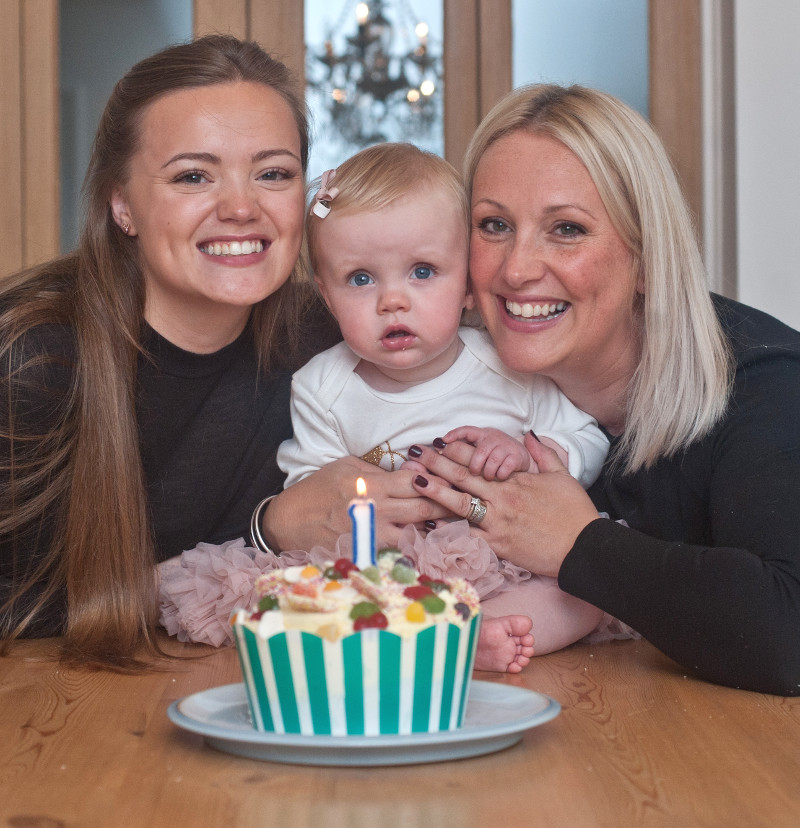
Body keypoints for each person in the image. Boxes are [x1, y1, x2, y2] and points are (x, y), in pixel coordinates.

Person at [394, 84, 800, 696]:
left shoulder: (767, 386)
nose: (516, 269)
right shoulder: (448, 372)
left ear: (643, 256)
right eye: (494, 225)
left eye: (566, 229)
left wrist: (577, 545)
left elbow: (788, 632)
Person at [0, 35, 336, 668]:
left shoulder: (322, 335)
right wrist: (271, 531)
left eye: (273, 174)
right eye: (193, 176)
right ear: (122, 204)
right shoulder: (30, 357)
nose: (242, 207)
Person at [272, 142, 620, 673]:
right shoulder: (322, 386)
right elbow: (308, 497)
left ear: (466, 286)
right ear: (325, 293)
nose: (393, 300)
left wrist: (531, 456)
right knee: (301, 598)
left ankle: (469, 634)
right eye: (361, 279)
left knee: (583, 593)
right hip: (386, 566)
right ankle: (416, 637)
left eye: (422, 272)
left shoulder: (507, 364)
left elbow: (589, 441)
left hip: (507, 560)